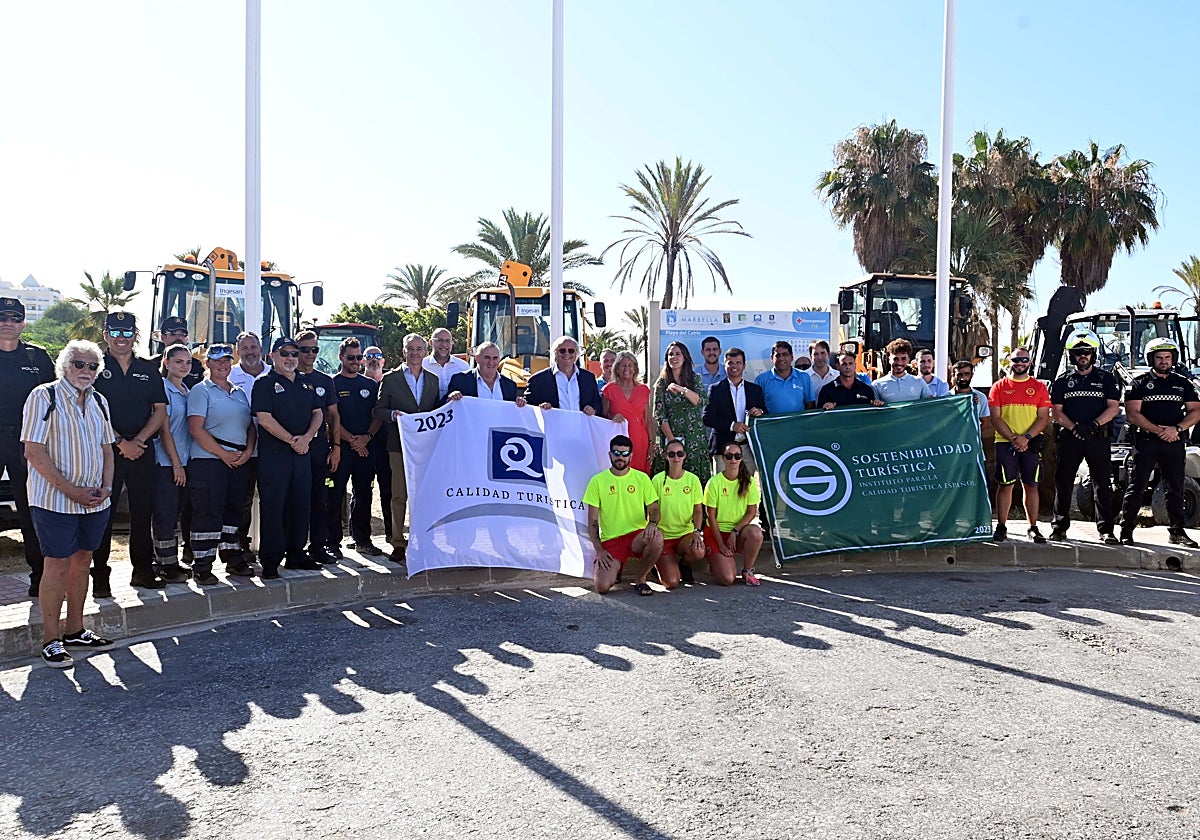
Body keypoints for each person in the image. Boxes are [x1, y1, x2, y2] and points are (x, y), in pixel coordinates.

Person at [21, 340, 116, 667]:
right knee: (57, 564)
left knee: (83, 560)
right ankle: (51, 638)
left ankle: (75, 630)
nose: (86, 371)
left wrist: (106, 487)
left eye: (92, 366)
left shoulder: (100, 401)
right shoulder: (43, 396)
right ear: (64, 365)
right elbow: (33, 452)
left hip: (93, 502)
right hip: (54, 501)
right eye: (79, 364)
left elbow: (107, 449)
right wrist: (72, 490)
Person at [92, 311, 168, 594]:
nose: (121, 338)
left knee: (142, 513)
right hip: (106, 451)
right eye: (115, 332)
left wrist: (138, 441)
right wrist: (120, 441)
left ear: (135, 335)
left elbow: (160, 409)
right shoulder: (94, 365)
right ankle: (99, 578)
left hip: (142, 450)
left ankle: (143, 572)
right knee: (104, 514)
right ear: (106, 335)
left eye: (126, 333)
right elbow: (90, 410)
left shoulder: (148, 368)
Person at [252, 337, 324, 577]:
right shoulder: (264, 383)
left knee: (301, 505)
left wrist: (306, 438)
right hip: (275, 457)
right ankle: (271, 560)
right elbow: (264, 419)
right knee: (273, 507)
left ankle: (296, 554)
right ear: (272, 356)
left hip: (302, 454)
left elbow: (318, 414)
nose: (291, 358)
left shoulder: (306, 384)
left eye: (294, 353)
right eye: (285, 354)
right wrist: (292, 440)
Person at [1118, 338, 1200, 547]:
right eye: (1159, 357)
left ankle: (1177, 532)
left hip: (1174, 441)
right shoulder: (1139, 383)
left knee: (1175, 488)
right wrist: (1158, 431)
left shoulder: (1183, 383)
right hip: (1146, 442)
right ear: (1151, 359)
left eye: (1167, 357)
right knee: (1136, 486)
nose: (1163, 361)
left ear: (1173, 359)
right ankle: (1126, 531)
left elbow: (1196, 410)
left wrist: (1177, 429)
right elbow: (1132, 413)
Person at [187, 344, 257, 583]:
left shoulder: (238, 392)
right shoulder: (200, 390)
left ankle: (232, 557)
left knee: (234, 512)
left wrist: (248, 451)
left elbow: (249, 425)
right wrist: (222, 454)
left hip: (238, 461)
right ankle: (203, 565)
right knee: (208, 512)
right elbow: (196, 429)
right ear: (208, 364)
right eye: (216, 361)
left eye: (227, 360)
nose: (222, 364)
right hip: (209, 461)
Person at [0, 296, 55, 597]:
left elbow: (54, 403)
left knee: (30, 512)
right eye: (2, 318)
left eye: (13, 318)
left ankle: (40, 578)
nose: (7, 323)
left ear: (22, 323)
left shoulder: (37, 358)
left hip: (27, 444)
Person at [1049, 329, 1121, 544]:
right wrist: (1074, 428)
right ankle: (1059, 527)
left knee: (1102, 484)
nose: (1083, 355)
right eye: (1078, 352)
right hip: (1071, 438)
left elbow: (1114, 407)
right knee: (1063, 482)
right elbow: (1056, 412)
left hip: (1097, 437)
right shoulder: (1062, 381)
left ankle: (1106, 530)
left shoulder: (1106, 379)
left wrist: (1094, 424)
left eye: (1087, 352)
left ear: (1093, 354)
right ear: (1072, 355)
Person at [374, 333, 440, 558]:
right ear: (404, 351)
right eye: (410, 348)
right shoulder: (390, 379)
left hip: (425, 447)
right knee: (399, 494)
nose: (414, 352)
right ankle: (398, 542)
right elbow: (378, 410)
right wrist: (393, 414)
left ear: (425, 352)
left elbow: (436, 411)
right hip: (398, 445)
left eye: (419, 349)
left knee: (424, 495)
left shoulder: (433, 380)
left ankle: (422, 537)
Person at [149, 315, 202, 569]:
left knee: (177, 514)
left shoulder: (186, 390)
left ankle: (170, 561)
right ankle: (166, 564)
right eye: (178, 361)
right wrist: (176, 464)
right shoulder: (162, 388)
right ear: (166, 362)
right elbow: (165, 430)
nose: (184, 366)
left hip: (185, 460)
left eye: (188, 362)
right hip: (166, 462)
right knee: (165, 515)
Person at [583, 434, 663, 596]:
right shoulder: (597, 481)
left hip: (636, 537)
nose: (621, 457)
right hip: (611, 541)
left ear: (631, 456)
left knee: (657, 537)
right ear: (610, 454)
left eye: (625, 453)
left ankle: (641, 578)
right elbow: (592, 522)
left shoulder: (641, 478)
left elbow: (654, 509)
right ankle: (616, 569)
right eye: (617, 453)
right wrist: (599, 550)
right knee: (602, 587)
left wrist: (652, 524)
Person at [988, 347, 1052, 543]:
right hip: (1005, 443)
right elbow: (995, 418)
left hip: (1031, 444)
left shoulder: (1039, 387)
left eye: (1024, 359)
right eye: (1016, 359)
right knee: (1005, 485)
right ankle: (1001, 526)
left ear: (1030, 362)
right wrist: (1015, 439)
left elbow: (1043, 418)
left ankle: (1033, 527)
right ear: (1010, 362)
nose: (1020, 363)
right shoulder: (998, 387)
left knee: (1031, 485)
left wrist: (1026, 437)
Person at [328, 338, 385, 556]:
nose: (355, 361)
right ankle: (332, 542)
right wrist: (352, 439)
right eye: (350, 357)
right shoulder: (332, 383)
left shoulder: (370, 385)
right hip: (340, 449)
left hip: (365, 449)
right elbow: (330, 417)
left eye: (358, 357)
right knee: (335, 495)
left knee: (364, 494)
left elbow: (377, 415)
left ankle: (362, 539)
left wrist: (366, 438)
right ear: (341, 357)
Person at [296, 329, 342, 563]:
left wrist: (336, 448)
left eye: (315, 349)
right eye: (305, 350)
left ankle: (318, 546)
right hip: (293, 450)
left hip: (319, 450)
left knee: (320, 499)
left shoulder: (325, 381)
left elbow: (333, 417)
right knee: (295, 501)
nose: (311, 354)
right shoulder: (288, 377)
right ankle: (294, 548)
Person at [228, 331, 272, 563]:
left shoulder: (274, 374)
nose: (249, 352)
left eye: (253, 347)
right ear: (238, 352)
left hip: (272, 450)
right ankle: (240, 545)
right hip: (242, 450)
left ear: (261, 350)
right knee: (241, 500)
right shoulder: (230, 375)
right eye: (244, 348)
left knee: (272, 499)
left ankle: (273, 545)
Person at [704, 441, 765, 586]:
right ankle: (717, 560)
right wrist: (721, 544)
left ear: (741, 458)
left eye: (737, 456)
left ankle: (747, 571)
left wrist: (735, 531)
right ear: (723, 458)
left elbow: (751, 513)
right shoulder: (714, 483)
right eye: (729, 456)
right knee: (727, 579)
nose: (733, 460)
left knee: (756, 533)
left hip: (737, 532)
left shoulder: (748, 482)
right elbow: (711, 517)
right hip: (716, 532)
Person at [650, 439, 706, 587]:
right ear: (666, 456)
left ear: (685, 456)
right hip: (663, 536)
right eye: (672, 454)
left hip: (685, 534)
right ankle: (660, 565)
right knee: (671, 582)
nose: (676, 458)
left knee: (699, 551)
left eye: (679, 454)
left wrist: (697, 531)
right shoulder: (657, 480)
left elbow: (698, 511)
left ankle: (684, 564)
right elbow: (652, 509)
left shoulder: (693, 480)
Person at [652, 341, 710, 483]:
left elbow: (701, 400)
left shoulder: (694, 378)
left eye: (678, 354)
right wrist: (673, 442)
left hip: (693, 438)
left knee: (695, 479)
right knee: (671, 479)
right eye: (671, 354)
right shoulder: (661, 383)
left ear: (685, 358)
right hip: (669, 437)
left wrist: (682, 390)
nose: (674, 357)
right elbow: (660, 415)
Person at [703, 347, 767, 474]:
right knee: (723, 490)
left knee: (746, 488)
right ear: (725, 365)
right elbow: (707, 417)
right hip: (723, 448)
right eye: (730, 362)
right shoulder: (715, 389)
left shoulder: (755, 390)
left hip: (748, 448)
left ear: (744, 366)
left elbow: (765, 411)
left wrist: (760, 412)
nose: (734, 366)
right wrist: (732, 426)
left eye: (738, 363)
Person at [601, 350, 653, 474]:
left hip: (640, 439)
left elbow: (648, 419)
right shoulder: (609, 390)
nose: (627, 368)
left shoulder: (643, 390)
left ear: (635, 368)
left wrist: (651, 444)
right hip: (618, 440)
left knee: (639, 475)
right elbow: (602, 417)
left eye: (630, 365)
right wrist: (612, 416)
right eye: (623, 365)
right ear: (617, 368)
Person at [359, 345, 391, 542]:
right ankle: (361, 537)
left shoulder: (392, 382)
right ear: (363, 360)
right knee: (362, 492)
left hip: (387, 446)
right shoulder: (355, 382)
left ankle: (391, 534)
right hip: (361, 446)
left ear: (383, 361)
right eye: (369, 356)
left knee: (389, 491)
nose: (373, 359)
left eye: (377, 356)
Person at [525, 336, 602, 414]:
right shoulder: (537, 380)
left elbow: (597, 404)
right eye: (562, 351)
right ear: (554, 353)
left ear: (576, 354)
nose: (566, 354)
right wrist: (540, 408)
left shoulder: (588, 378)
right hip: (552, 425)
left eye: (571, 351)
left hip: (582, 426)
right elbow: (527, 408)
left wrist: (593, 409)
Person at [445, 341, 527, 405]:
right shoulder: (460, 381)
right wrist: (450, 399)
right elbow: (443, 408)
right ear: (477, 358)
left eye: (495, 358)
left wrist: (519, 403)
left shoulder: (510, 386)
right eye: (487, 358)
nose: (491, 362)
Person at [756, 341, 814, 414]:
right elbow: (757, 407)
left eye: (785, 355)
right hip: (772, 424)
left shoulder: (804, 377)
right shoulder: (761, 380)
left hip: (798, 424)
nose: (781, 358)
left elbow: (810, 404)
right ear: (772, 358)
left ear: (792, 357)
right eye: (778, 355)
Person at [872, 338, 932, 404]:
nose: (899, 363)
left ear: (908, 359)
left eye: (903, 358)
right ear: (889, 359)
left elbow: (931, 405)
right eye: (895, 359)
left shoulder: (919, 382)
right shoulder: (877, 385)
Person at [150, 316, 204, 389]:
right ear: (163, 338)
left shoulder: (197, 366)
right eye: (173, 333)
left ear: (187, 339)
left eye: (183, 334)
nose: (179, 338)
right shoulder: (151, 364)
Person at [819, 351, 883, 409]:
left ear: (855, 365)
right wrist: (825, 406)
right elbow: (818, 415)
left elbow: (873, 412)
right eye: (844, 364)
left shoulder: (866, 390)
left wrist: (877, 403)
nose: (848, 367)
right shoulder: (827, 390)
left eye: (850, 363)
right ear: (837, 366)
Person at [424, 327, 470, 400]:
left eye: (448, 341)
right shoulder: (422, 366)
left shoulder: (463, 367)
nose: (444, 345)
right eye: (440, 340)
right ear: (431, 343)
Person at [951, 359, 991, 437]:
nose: (963, 378)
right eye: (959, 375)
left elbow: (985, 423)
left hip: (972, 443)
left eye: (967, 374)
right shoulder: (945, 398)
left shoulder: (981, 397)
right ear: (953, 376)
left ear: (972, 375)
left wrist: (970, 435)